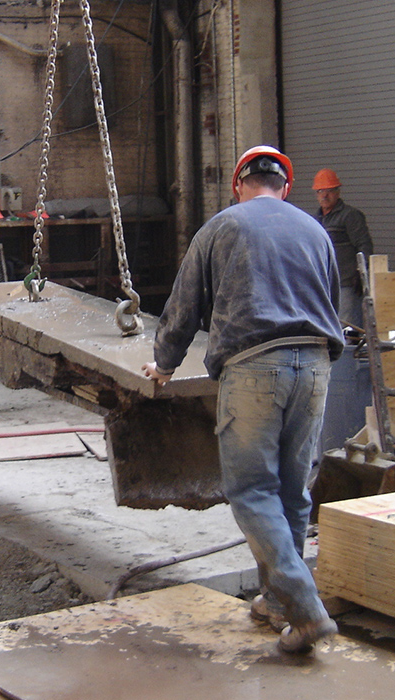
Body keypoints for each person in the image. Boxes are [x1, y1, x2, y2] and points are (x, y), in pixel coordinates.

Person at [142, 146, 343, 655]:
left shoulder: (221, 227)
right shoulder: (315, 231)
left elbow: (184, 305)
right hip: (316, 365)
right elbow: (331, 300)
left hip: (255, 367)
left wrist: (164, 364)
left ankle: (305, 607)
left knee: (253, 490)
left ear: (238, 184)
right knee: (294, 493)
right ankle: (278, 605)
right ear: (287, 187)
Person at [311, 168, 373, 327]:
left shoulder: (350, 216)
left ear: (338, 192)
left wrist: (361, 273)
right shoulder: (316, 220)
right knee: (327, 327)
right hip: (324, 284)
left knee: (348, 329)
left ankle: (350, 353)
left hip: (347, 285)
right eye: (320, 191)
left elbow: (364, 245)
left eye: (329, 191)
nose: (324, 195)